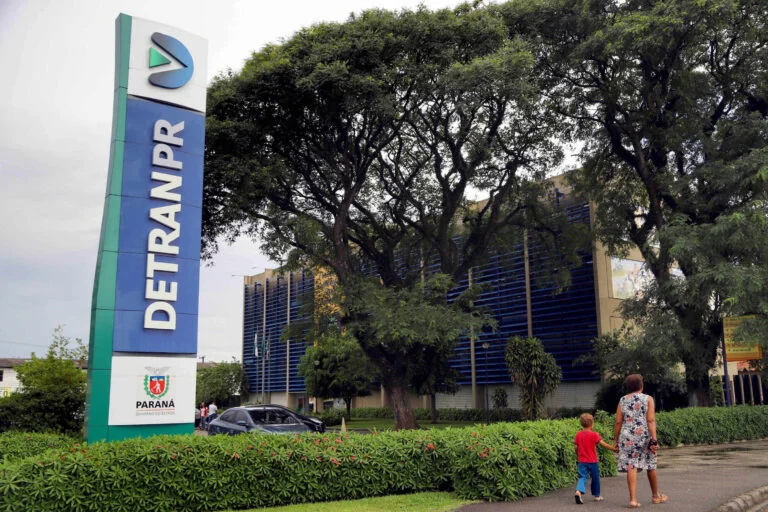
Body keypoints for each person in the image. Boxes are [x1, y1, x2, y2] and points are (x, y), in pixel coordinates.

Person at [614, 374, 668, 508]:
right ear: (641, 385)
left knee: (631, 466)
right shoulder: (648, 399)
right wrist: (654, 439)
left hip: (627, 436)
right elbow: (651, 420)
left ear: (628, 386)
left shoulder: (622, 400)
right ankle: (655, 496)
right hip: (644, 436)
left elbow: (618, 421)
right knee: (650, 464)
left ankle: (633, 500)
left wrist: (616, 439)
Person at [574, 412, 617, 504]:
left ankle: (578, 491)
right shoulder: (594, 435)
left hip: (582, 461)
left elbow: (576, 447)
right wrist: (613, 449)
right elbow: (603, 444)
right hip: (593, 461)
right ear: (592, 424)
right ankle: (597, 495)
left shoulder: (578, 434)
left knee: (582, 477)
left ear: (581, 424)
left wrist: (577, 454)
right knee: (595, 478)